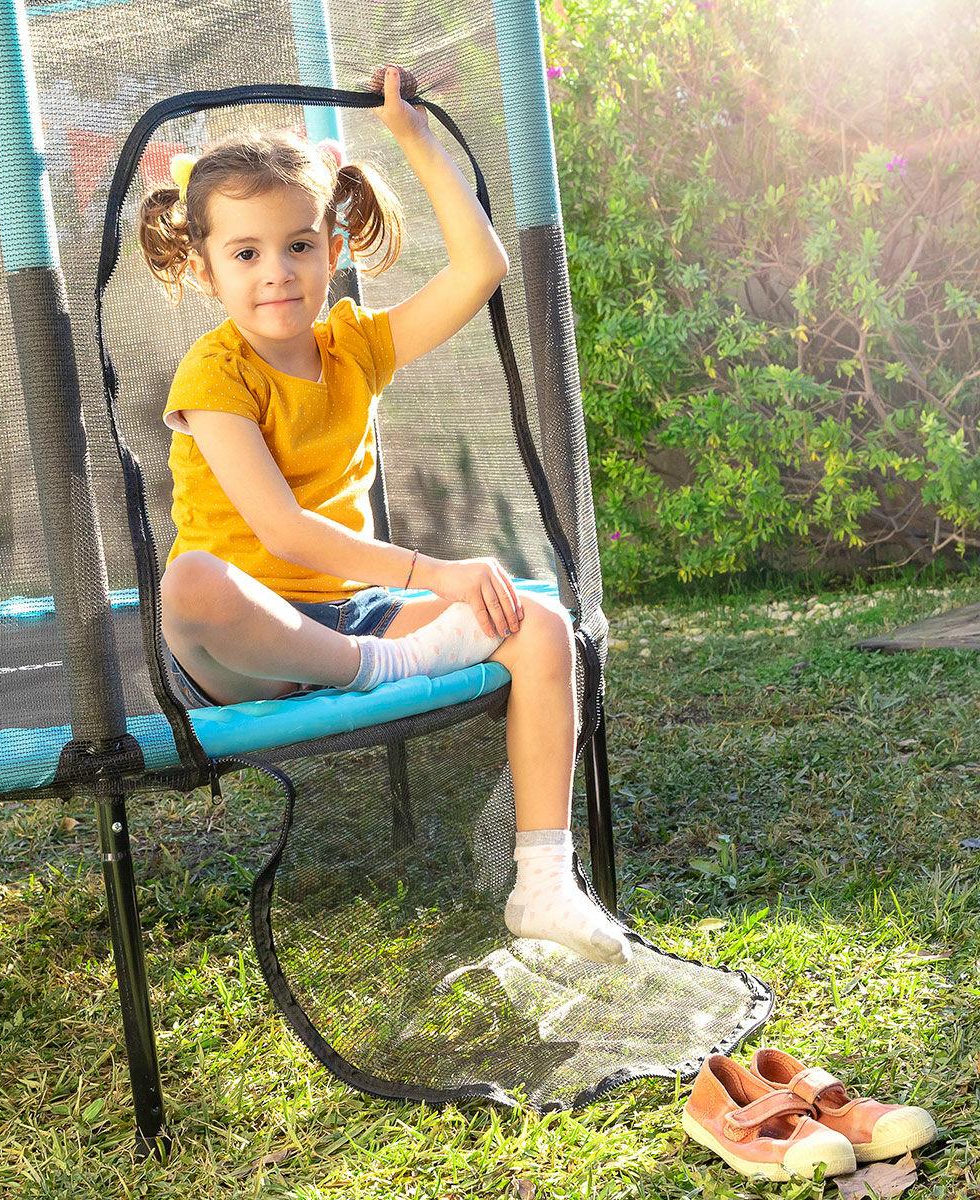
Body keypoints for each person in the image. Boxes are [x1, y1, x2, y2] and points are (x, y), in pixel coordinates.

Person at [137, 64, 631, 965]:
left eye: (297, 246)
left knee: (543, 628)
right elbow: (282, 532)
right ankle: (376, 667)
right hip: (246, 643)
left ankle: (546, 884)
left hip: (354, 612)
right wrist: (436, 577)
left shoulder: (355, 342)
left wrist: (415, 141)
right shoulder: (216, 377)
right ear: (206, 269)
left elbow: (481, 268)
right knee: (192, 584)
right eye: (246, 254)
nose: (277, 273)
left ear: (332, 247)